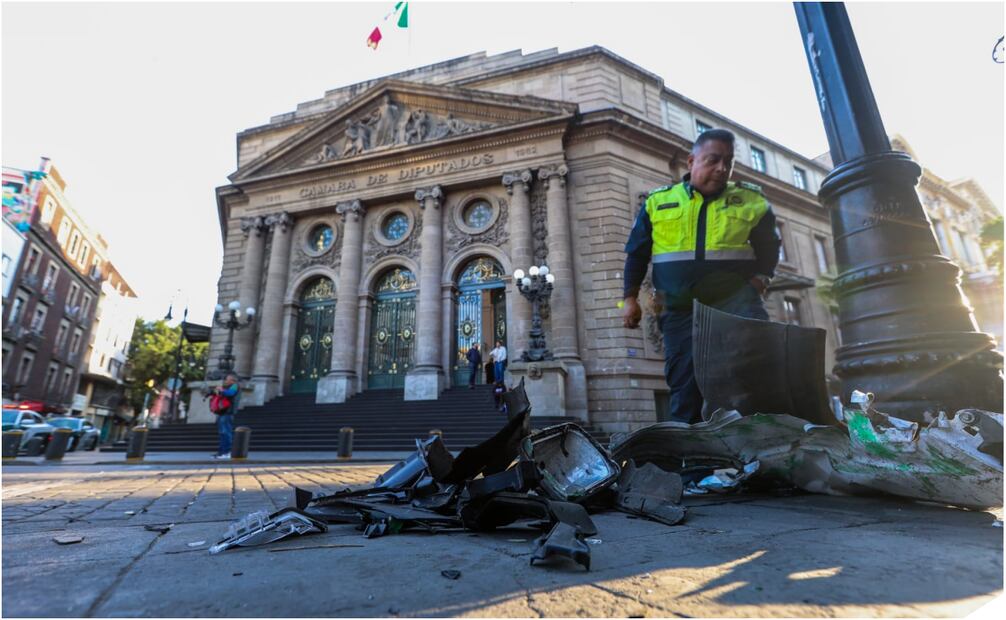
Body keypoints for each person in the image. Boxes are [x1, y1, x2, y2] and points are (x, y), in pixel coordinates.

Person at [622, 128, 781, 424]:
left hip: (737, 306)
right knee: (685, 387)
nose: (721, 168)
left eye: (728, 162)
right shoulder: (657, 202)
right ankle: (692, 452)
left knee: (754, 378)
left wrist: (761, 280)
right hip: (679, 310)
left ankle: (758, 447)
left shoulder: (751, 200)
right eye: (713, 160)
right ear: (691, 161)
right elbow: (636, 253)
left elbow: (770, 248)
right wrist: (629, 299)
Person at [211, 373, 240, 459]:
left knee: (226, 432)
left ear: (232, 380)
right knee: (222, 433)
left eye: (227, 379)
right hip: (222, 412)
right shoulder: (228, 387)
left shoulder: (235, 386)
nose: (225, 381)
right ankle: (221, 452)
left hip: (228, 412)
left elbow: (230, 393)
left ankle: (227, 452)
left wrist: (221, 390)